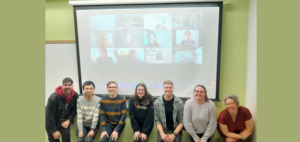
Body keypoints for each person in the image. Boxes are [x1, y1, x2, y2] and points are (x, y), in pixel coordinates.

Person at [46, 77, 79, 142]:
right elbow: (49, 116)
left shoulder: (75, 96)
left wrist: (69, 120)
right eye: (65, 85)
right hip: (52, 122)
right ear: (62, 86)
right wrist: (54, 130)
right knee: (54, 139)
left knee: (66, 139)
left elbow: (74, 110)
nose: (67, 87)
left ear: (72, 86)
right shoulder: (53, 98)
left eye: (69, 85)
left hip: (64, 121)